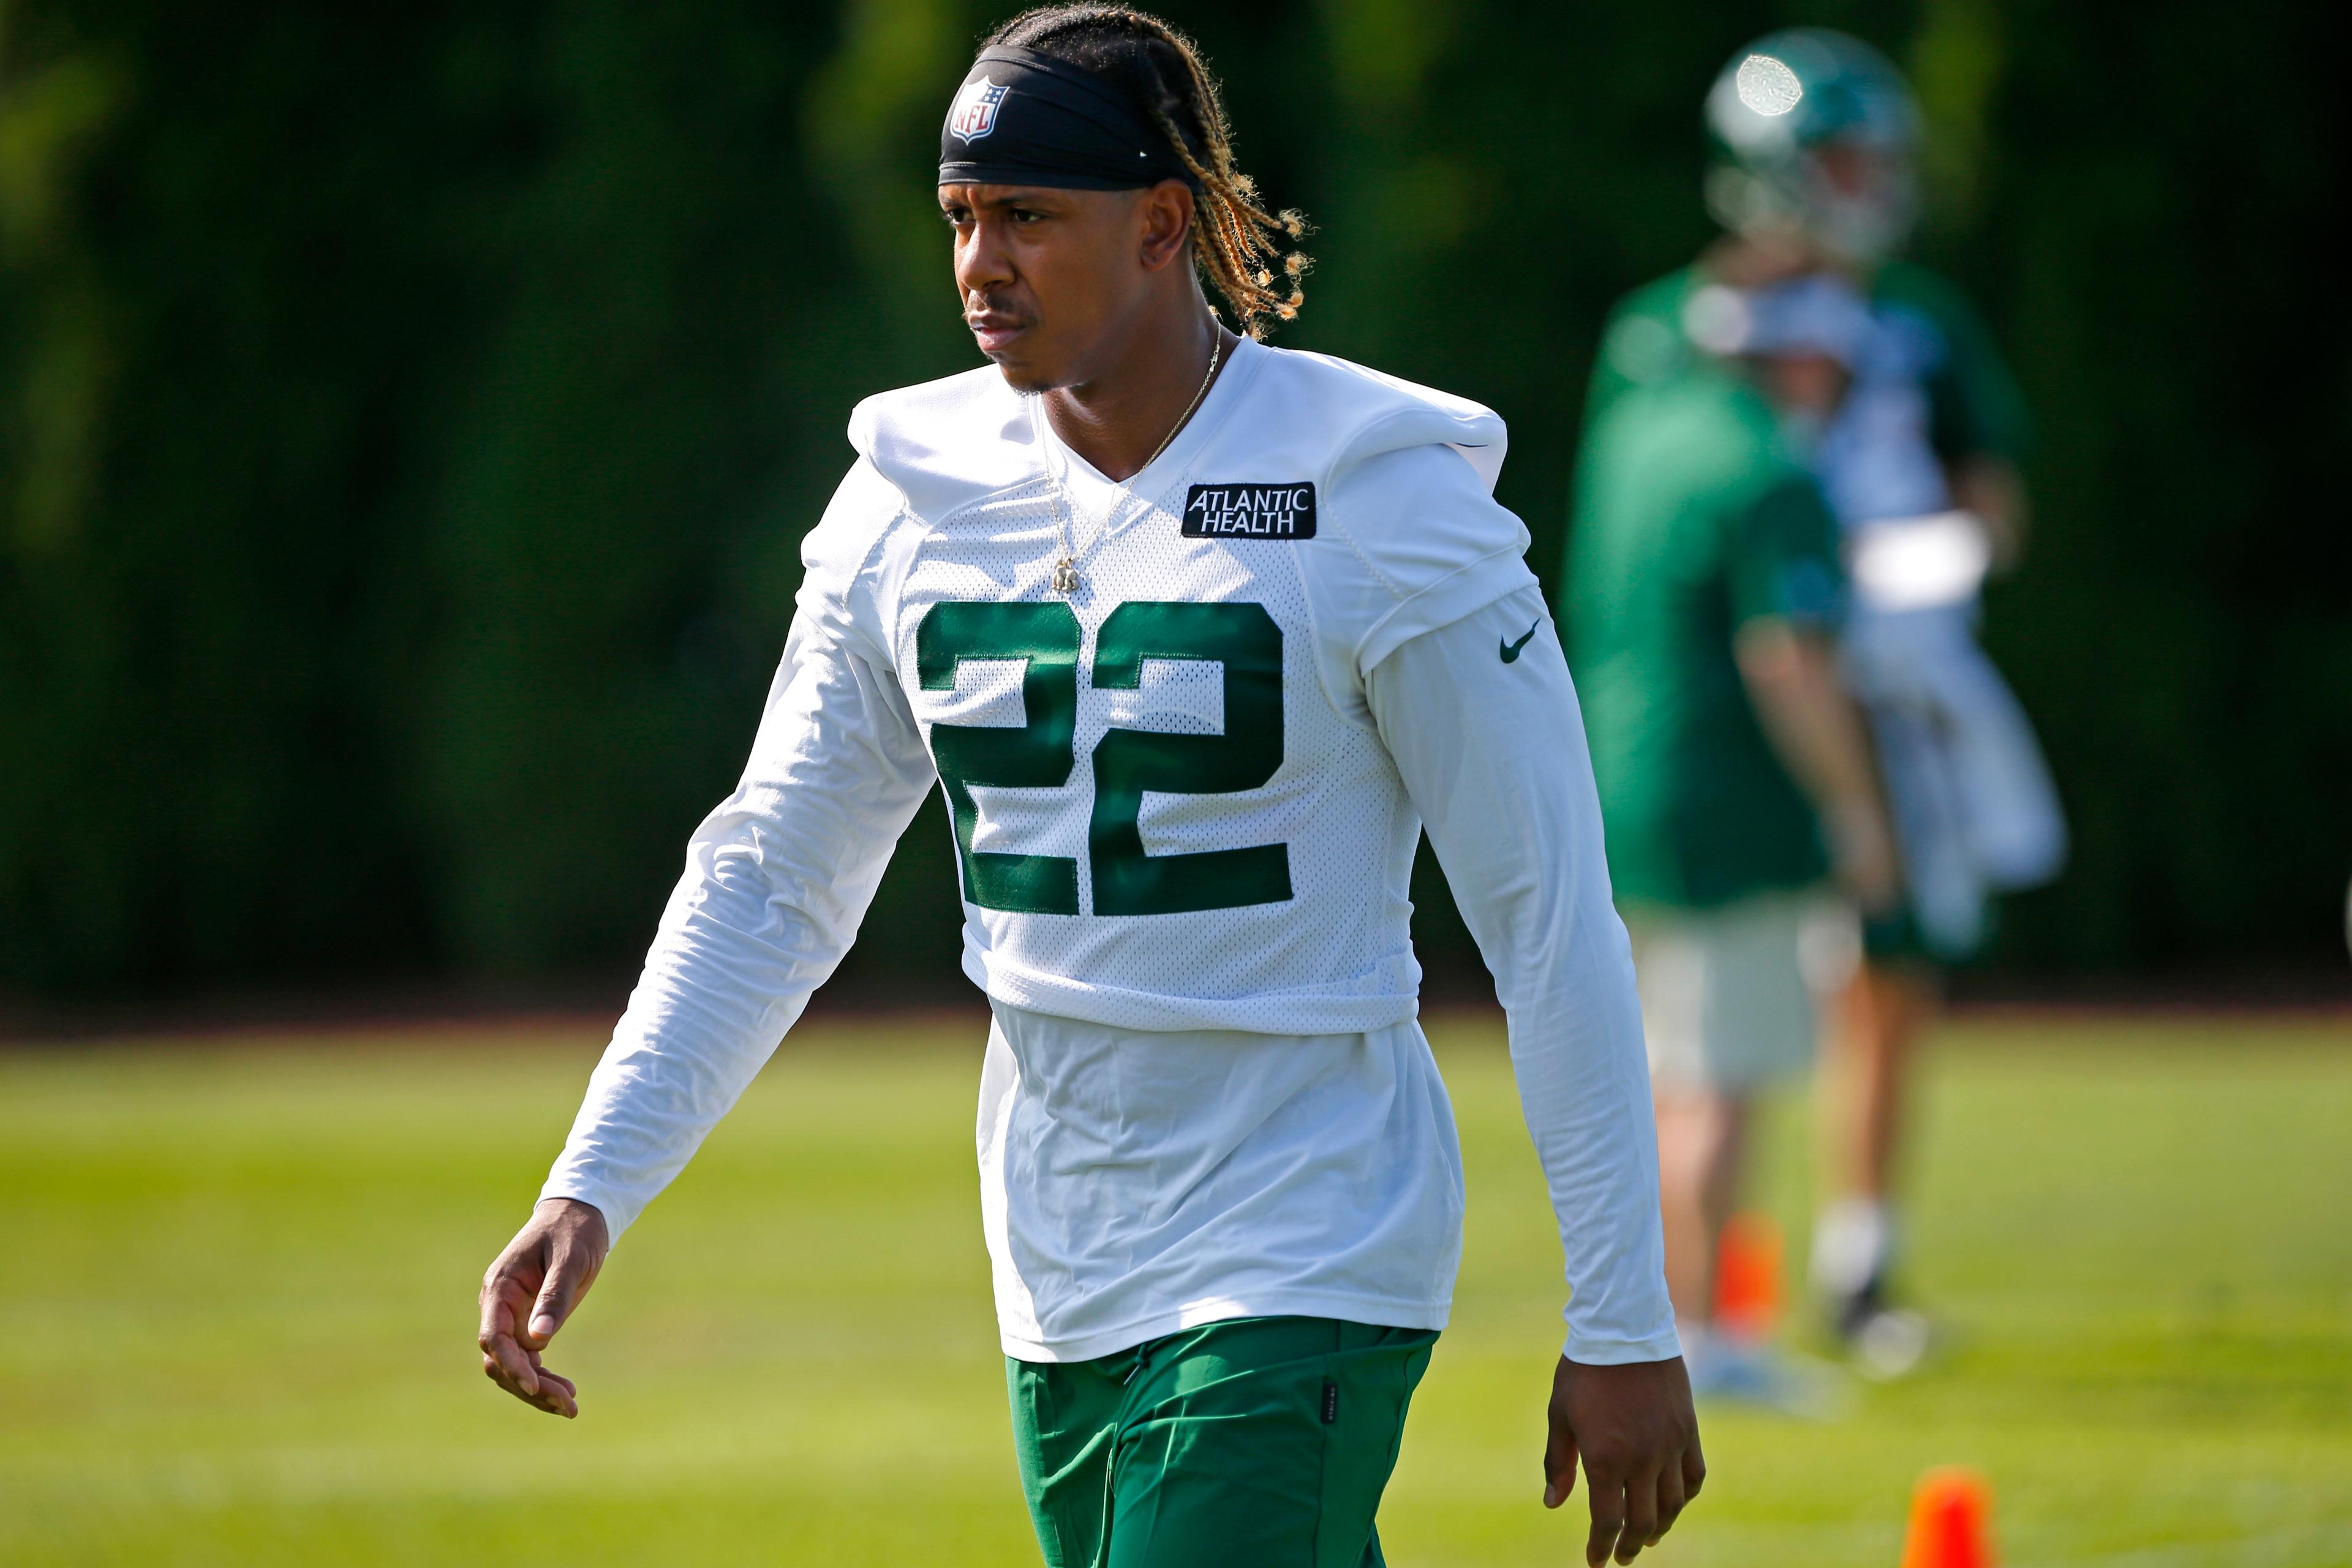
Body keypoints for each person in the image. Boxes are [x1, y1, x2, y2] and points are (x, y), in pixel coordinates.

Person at [475, 9, 1702, 1566]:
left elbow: (1548, 916)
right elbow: (777, 871)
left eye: (1031, 216)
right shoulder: (908, 498)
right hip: (1057, 1236)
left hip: (1306, 1222)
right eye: (963, 217)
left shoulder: (1376, 494)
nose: (982, 262)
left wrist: (1625, 1311)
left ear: (1163, 225)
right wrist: (595, 1176)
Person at [1587, 29, 2065, 1373]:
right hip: (1757, 683)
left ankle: (1854, 1258)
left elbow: (1994, 491)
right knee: (1717, 1018)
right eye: (1845, 159)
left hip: (1882, 674)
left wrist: (1924, 565)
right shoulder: (1672, 331)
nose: (1870, 184)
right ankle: (1704, 1312)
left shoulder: (1916, 316)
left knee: (1885, 959)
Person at [1564, 270, 1900, 1400]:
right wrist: (1859, 810)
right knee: (1718, 1084)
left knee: (1664, 1081)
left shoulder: (1641, 434)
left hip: (1617, 785)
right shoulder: (1767, 467)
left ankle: (1680, 1324)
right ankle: (1702, 1340)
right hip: (1725, 805)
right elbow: (1788, 660)